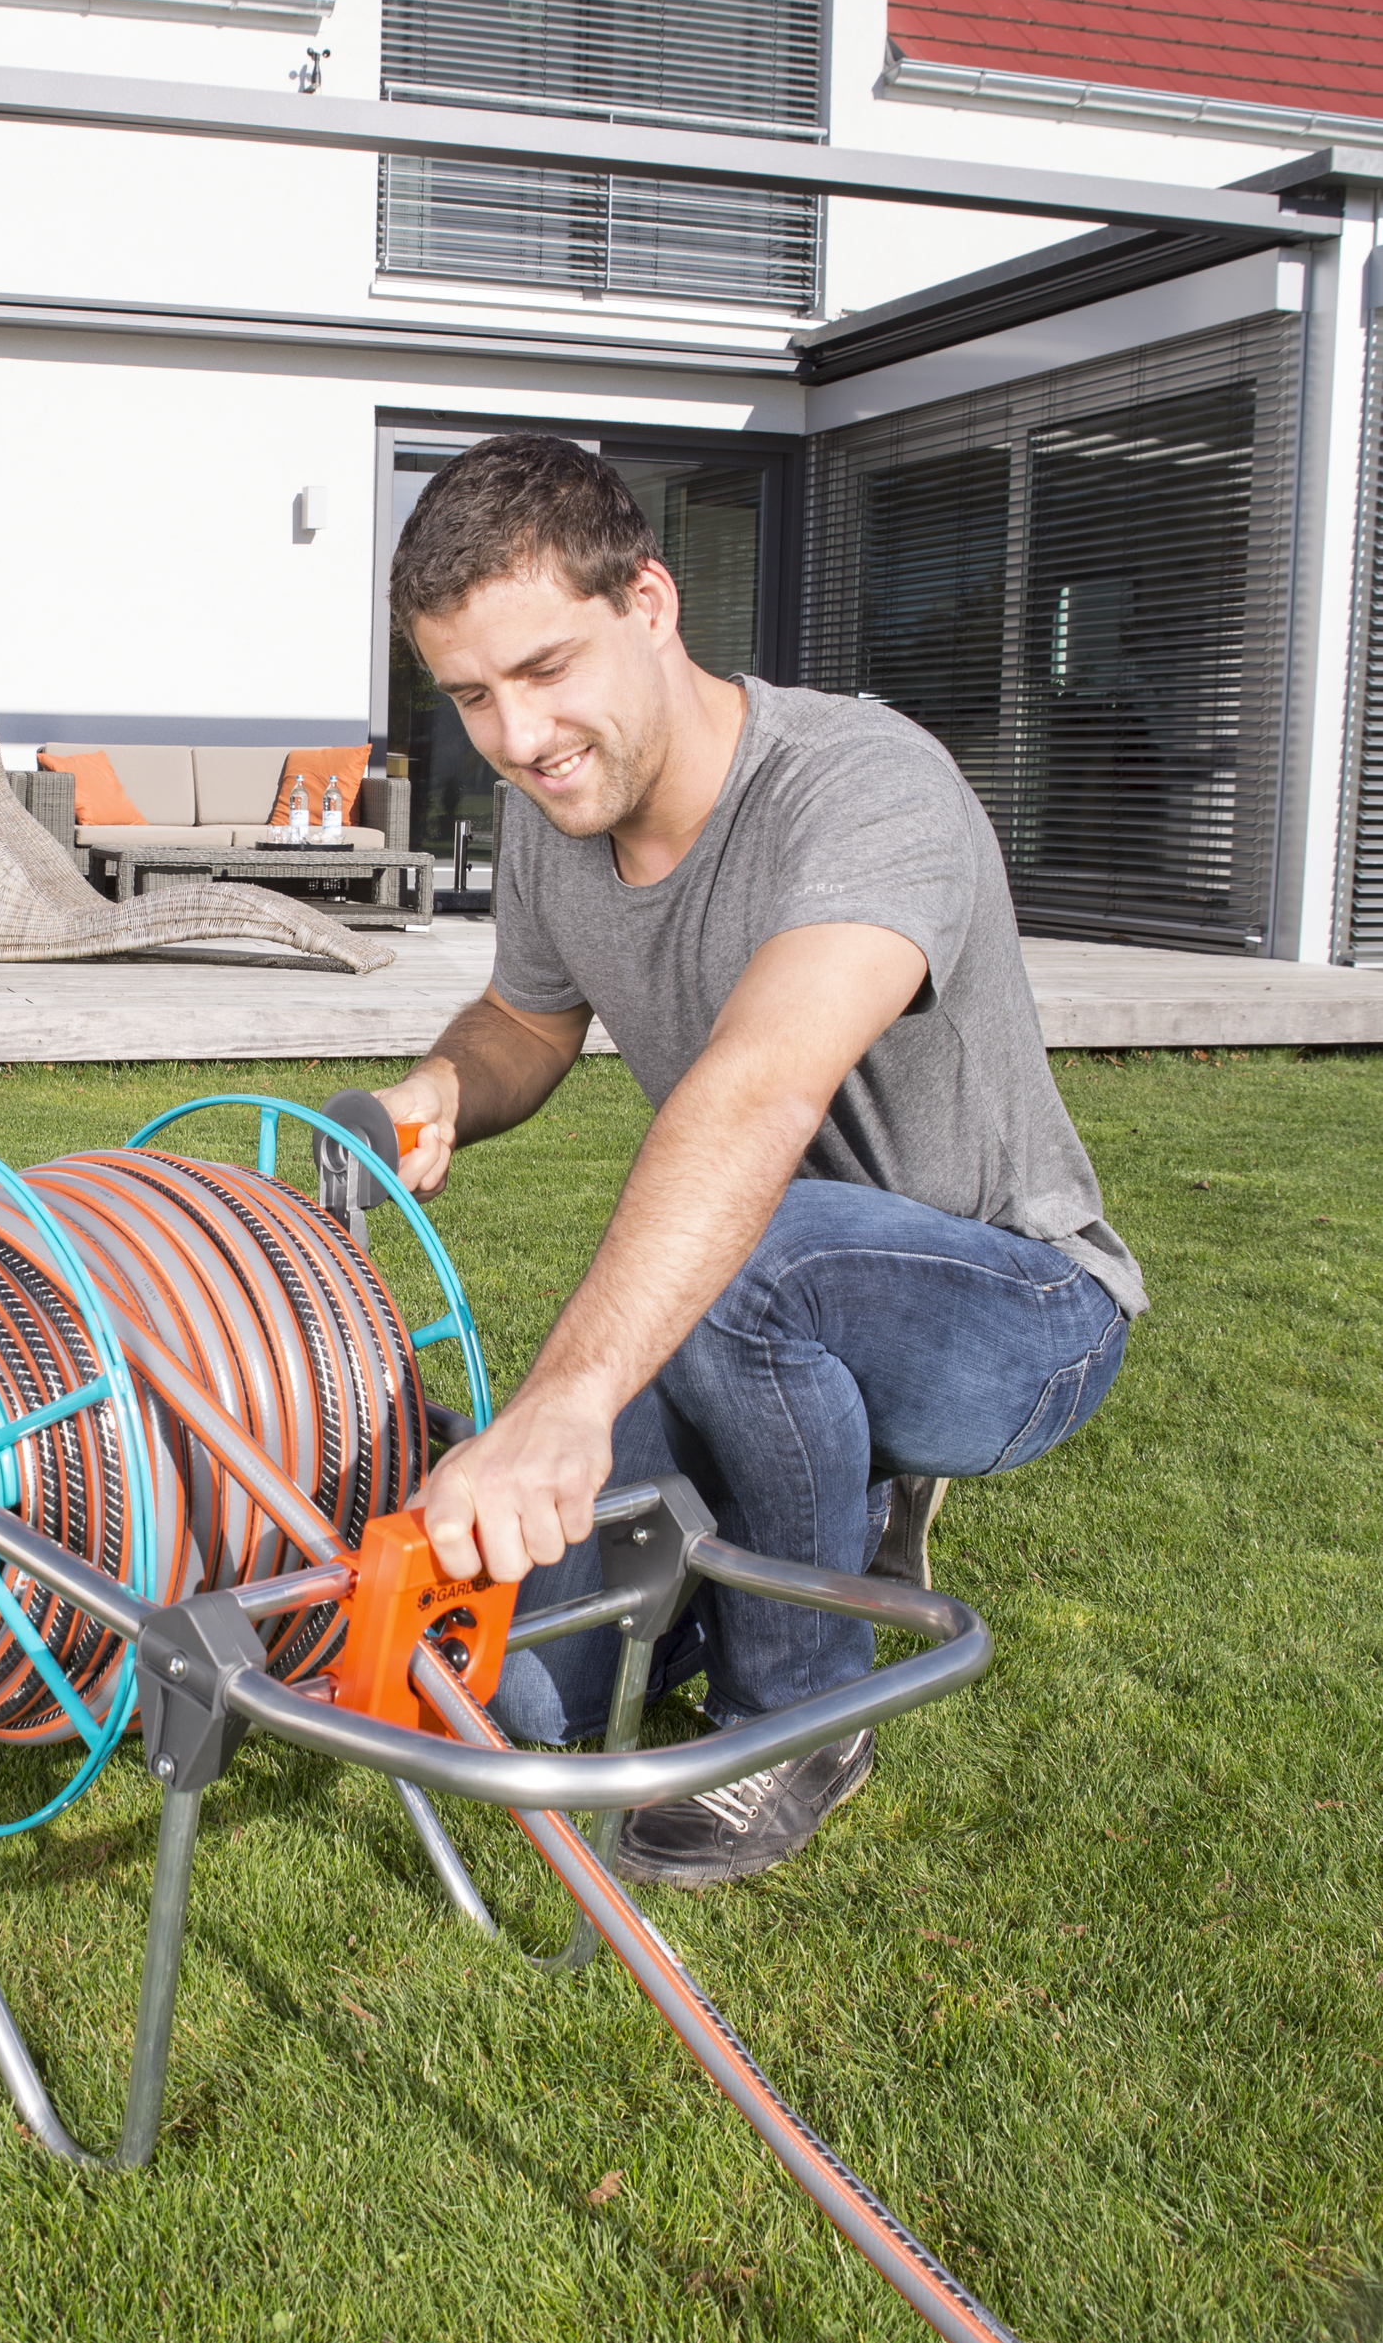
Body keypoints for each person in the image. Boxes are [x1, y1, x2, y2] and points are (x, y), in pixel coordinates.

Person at [377, 435, 1142, 1888]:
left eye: (546, 671)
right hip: (765, 1284)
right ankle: (799, 1520)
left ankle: (803, 1706)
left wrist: (566, 1401)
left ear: (652, 603)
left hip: (1017, 1311)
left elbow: (755, 1090)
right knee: (519, 1692)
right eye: (472, 697)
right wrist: (439, 1092)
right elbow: (525, 1020)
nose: (517, 736)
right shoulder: (561, 814)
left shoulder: (863, 788)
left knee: (752, 1254)